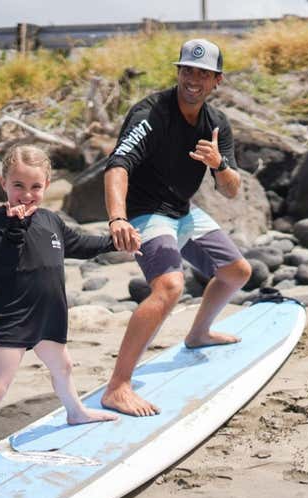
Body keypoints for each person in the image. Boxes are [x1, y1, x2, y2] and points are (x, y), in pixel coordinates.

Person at [101, 38, 252, 417]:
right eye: (188, 70)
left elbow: (232, 190)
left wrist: (219, 164)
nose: (193, 79)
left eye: (203, 73)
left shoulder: (216, 124)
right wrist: (118, 218)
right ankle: (117, 387)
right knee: (169, 286)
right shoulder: (150, 114)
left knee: (237, 271)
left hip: (182, 212)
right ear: (178, 72)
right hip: (145, 212)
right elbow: (117, 165)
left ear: (217, 81)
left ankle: (198, 334)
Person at [0, 145, 121, 487]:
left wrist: (114, 243)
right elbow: (1, 259)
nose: (26, 194)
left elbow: (78, 244)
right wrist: (16, 227)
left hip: (49, 314)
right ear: (3, 182)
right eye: (18, 185)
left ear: (47, 185)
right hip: (15, 317)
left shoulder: (50, 220)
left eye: (35, 187)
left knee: (63, 366)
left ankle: (75, 412)